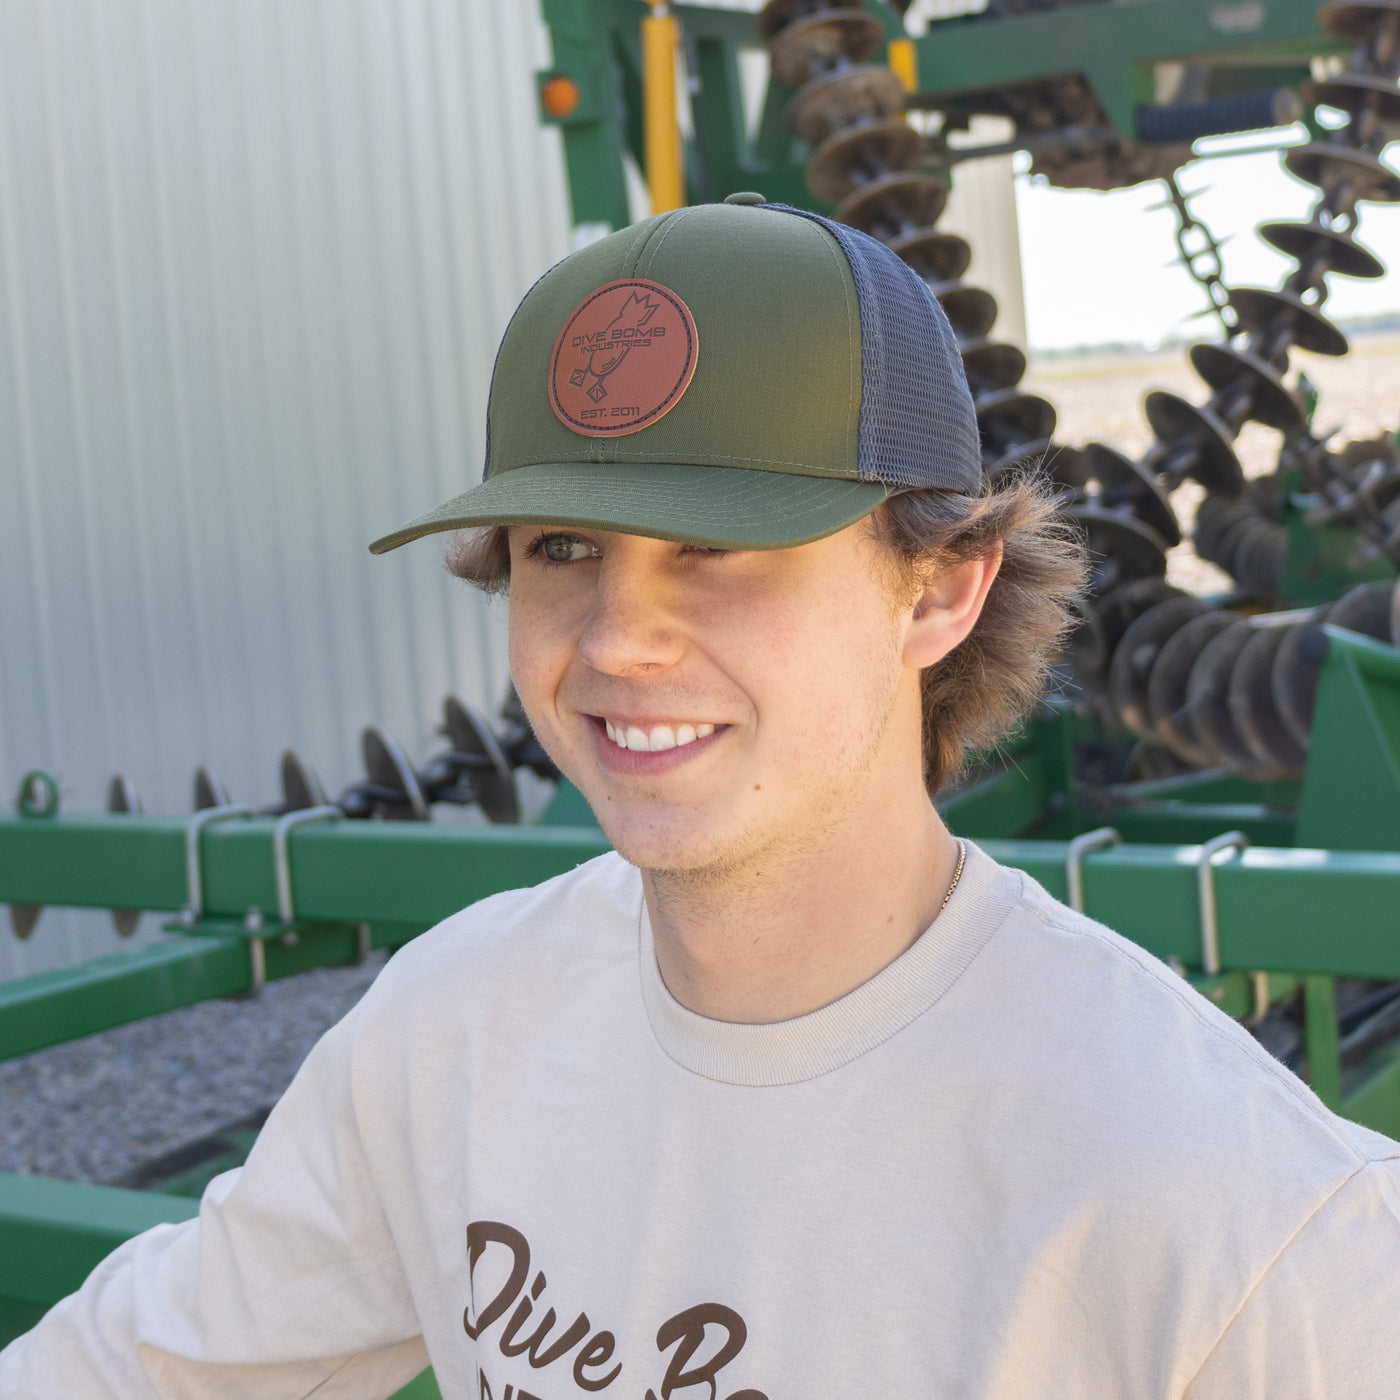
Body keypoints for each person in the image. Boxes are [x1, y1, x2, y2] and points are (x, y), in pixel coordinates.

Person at [4, 196, 1400, 1400]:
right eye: (564, 547)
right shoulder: (456, 1038)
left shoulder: (1246, 1226)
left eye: (725, 546)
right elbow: (148, 1364)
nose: (617, 639)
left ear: (942, 587)